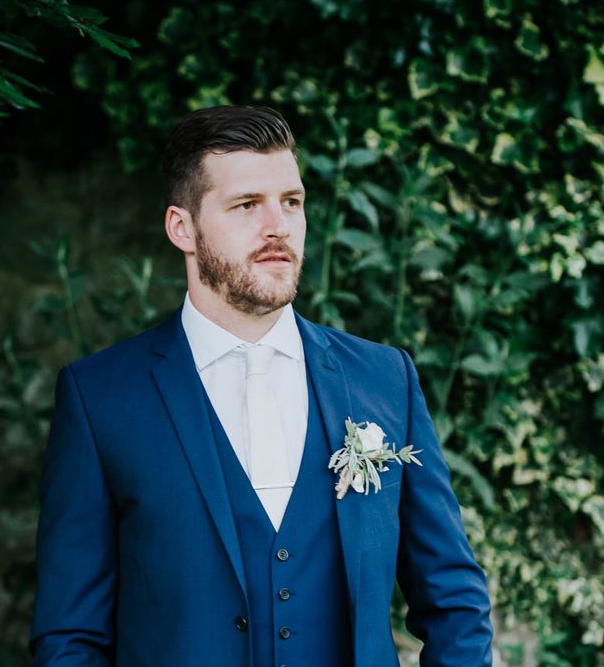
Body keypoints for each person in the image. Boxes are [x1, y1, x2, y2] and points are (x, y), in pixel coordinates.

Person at [30, 105, 493, 666]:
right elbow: (70, 637)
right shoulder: (99, 397)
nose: (277, 226)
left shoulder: (383, 379)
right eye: (247, 205)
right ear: (183, 228)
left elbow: (454, 601)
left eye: (291, 203)